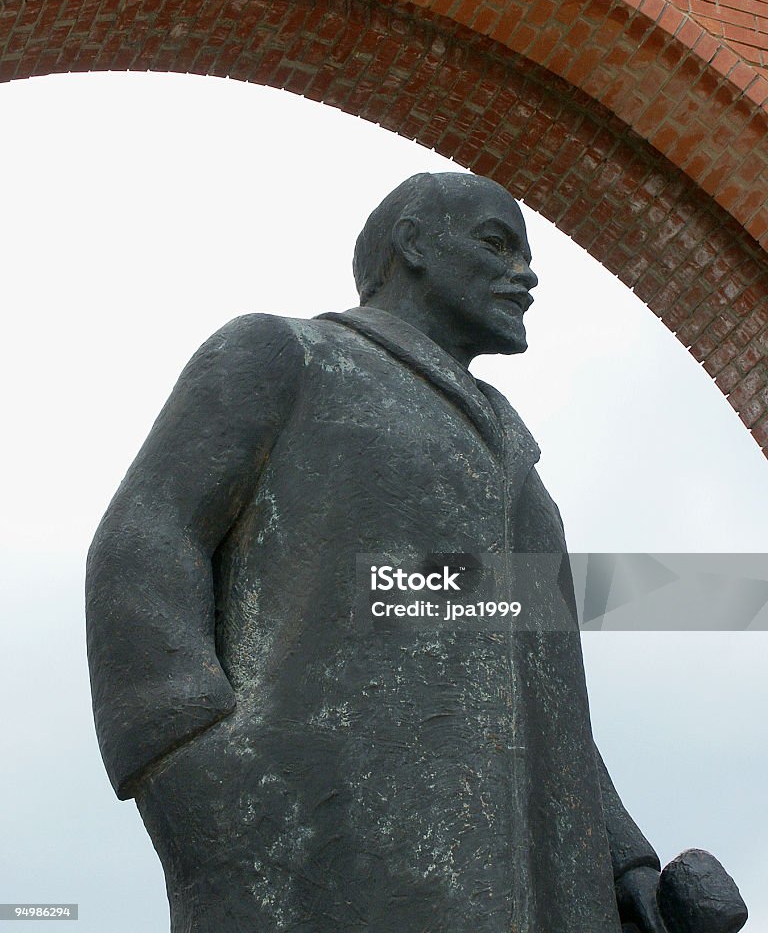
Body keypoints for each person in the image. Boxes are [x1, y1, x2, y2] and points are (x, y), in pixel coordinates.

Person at [87, 173, 667, 932]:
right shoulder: (284, 353)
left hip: (532, 889)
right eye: (498, 245)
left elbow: (540, 686)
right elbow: (146, 543)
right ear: (415, 242)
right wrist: (193, 779)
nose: (526, 276)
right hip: (319, 849)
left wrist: (618, 857)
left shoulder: (523, 479)